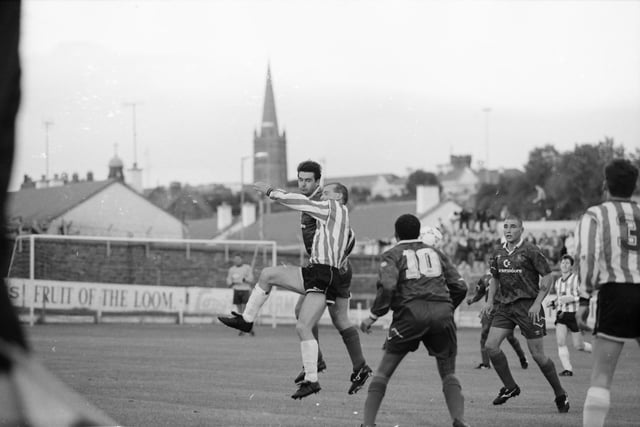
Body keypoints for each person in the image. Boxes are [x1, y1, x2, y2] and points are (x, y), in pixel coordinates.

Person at [218, 181, 356, 399]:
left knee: (303, 326)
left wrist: (273, 192)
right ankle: (246, 320)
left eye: (326, 192)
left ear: (339, 197)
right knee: (268, 275)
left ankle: (312, 379)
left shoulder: (333, 208)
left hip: (323, 274)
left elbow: (301, 202)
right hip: (319, 272)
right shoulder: (336, 218)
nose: (322, 195)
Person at [360, 214, 470, 427]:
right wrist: (447, 307)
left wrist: (374, 315)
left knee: (383, 372)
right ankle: (459, 419)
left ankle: (368, 423)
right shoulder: (436, 252)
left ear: (396, 233)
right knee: (448, 373)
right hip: (442, 314)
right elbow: (461, 286)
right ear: (419, 233)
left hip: (410, 315)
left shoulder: (392, 255)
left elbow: (389, 287)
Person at [291, 160, 371, 394]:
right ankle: (359, 366)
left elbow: (346, 236)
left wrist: (338, 258)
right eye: (300, 179)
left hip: (331, 270)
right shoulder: (317, 204)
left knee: (303, 315)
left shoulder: (325, 206)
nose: (303, 183)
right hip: (332, 268)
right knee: (339, 319)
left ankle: (316, 362)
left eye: (309, 180)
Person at [480, 214, 569, 413]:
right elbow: (494, 278)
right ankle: (510, 387)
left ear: (522, 229)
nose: (508, 230)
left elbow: (547, 276)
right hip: (505, 307)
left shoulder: (531, 250)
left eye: (513, 226)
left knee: (538, 356)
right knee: (491, 347)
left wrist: (538, 303)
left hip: (528, 307)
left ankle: (560, 393)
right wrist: (489, 301)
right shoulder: (498, 252)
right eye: (506, 226)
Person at [575, 159, 640, 427]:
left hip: (617, 293)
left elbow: (588, 256)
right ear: (634, 185)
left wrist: (584, 298)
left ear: (605, 184)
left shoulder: (595, 215)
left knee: (602, 376)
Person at [466, 272, 528, 370]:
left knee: (510, 337)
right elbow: (480, 293)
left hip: (503, 309)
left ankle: (522, 358)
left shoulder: (506, 274)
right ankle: (486, 364)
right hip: (489, 309)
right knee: (484, 334)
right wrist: (473, 300)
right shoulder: (484, 278)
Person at [547, 254, 592, 376]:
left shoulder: (576, 279)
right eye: (562, 263)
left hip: (574, 315)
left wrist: (573, 298)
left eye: (567, 263)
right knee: (560, 342)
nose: (564, 265)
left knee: (579, 346)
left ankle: (596, 351)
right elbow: (559, 298)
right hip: (562, 315)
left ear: (571, 266)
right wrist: (553, 303)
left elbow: (586, 296)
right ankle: (568, 369)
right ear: (560, 265)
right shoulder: (557, 282)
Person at [225, 253, 255, 336]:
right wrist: (231, 283)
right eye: (235, 259)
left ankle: (249, 328)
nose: (236, 261)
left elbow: (251, 279)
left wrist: (245, 279)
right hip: (236, 290)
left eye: (238, 259)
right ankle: (242, 329)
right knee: (239, 312)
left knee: (246, 311)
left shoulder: (247, 268)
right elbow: (229, 280)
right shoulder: (232, 269)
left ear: (242, 260)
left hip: (245, 290)